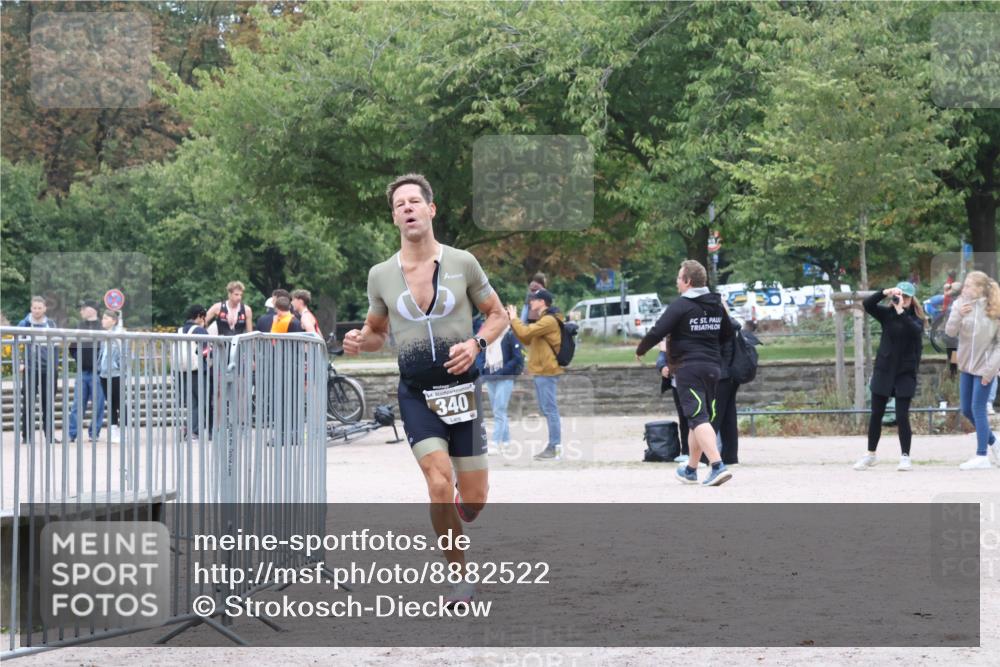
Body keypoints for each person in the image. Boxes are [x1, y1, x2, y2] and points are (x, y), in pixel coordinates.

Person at [343, 174, 506, 606]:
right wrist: (362, 342)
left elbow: (497, 314)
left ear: (431, 210)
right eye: (401, 204)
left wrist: (477, 343)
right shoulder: (381, 275)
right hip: (417, 393)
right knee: (438, 481)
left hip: (462, 390)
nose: (409, 208)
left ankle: (462, 503)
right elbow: (377, 333)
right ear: (394, 216)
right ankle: (461, 578)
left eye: (416, 201)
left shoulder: (463, 262)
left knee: (475, 499)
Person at [636, 260, 734, 486]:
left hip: (689, 369)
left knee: (698, 418)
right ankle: (691, 469)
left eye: (679, 278)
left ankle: (717, 465)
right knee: (696, 420)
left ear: (688, 282)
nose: (677, 282)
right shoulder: (717, 304)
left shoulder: (681, 305)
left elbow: (658, 330)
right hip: (712, 369)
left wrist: (641, 349)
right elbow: (728, 334)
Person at [853, 282, 926, 472]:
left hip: (905, 372)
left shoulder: (916, 318)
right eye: (901, 295)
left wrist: (902, 310)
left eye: (907, 297)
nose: (904, 299)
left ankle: (905, 456)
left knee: (902, 416)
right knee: (876, 414)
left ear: (912, 299)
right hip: (884, 370)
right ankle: (870, 455)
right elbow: (868, 304)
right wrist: (885, 291)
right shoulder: (886, 314)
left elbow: (915, 332)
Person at [944, 270, 1000, 469]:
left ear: (979, 289)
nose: (964, 289)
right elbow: (949, 332)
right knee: (967, 409)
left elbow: (999, 345)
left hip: (986, 367)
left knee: (978, 408)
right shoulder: (960, 304)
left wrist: (990, 370)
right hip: (966, 364)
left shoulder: (994, 308)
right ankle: (994, 442)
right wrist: (958, 315)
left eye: (968, 286)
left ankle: (982, 455)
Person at [507, 288, 564, 460]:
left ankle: (555, 447)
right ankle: (554, 446)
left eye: (534, 299)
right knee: (547, 409)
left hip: (547, 370)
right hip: (542, 370)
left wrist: (514, 319)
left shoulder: (548, 320)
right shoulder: (544, 320)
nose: (530, 302)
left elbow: (525, 332)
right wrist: (515, 323)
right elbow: (525, 338)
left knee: (550, 409)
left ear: (542, 302)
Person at [17, 296, 60, 445]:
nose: (36, 311)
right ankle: (26, 436)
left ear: (44, 309)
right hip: (30, 369)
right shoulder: (24, 323)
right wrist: (20, 361)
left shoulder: (51, 324)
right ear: (31, 308)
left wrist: (55, 367)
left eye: (39, 308)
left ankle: (49, 436)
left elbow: (56, 348)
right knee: (28, 403)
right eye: (34, 308)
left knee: (48, 404)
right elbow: (17, 344)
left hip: (48, 370)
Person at [477, 320, 524, 454]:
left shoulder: (510, 335)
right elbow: (481, 355)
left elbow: (517, 358)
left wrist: (501, 371)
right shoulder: (488, 337)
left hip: (505, 377)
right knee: (498, 410)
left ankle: (495, 442)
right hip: (490, 377)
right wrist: (483, 371)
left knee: (499, 409)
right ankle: (506, 441)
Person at [68, 300, 106, 443]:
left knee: (98, 405)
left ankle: (93, 433)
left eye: (83, 308)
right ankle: (72, 433)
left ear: (92, 310)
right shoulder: (80, 326)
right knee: (78, 404)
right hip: (83, 371)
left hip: (98, 372)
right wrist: (81, 360)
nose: (81, 311)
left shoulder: (102, 327)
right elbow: (72, 347)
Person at [713, 307, 747, 466]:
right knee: (729, 416)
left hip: (721, 374)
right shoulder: (732, 325)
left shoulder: (720, 325)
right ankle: (731, 456)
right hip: (732, 373)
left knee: (715, 415)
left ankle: (707, 456)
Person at [176, 305, 211, 441]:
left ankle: (187, 427)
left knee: (190, 402)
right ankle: (193, 431)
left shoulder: (179, 330)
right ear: (200, 316)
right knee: (199, 402)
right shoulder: (199, 330)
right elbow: (206, 350)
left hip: (181, 370)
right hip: (197, 370)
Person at [656, 340, 690, 462]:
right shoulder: (670, 337)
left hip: (693, 380)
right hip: (677, 383)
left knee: (695, 418)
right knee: (683, 418)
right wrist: (662, 366)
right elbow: (661, 358)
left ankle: (701, 453)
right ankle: (686, 451)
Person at [97, 309, 125, 443]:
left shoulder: (119, 334)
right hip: (103, 373)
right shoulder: (104, 335)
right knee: (111, 404)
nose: (103, 320)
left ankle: (123, 431)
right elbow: (102, 353)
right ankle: (114, 431)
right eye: (103, 318)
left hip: (115, 373)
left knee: (119, 402)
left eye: (106, 318)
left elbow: (124, 354)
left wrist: (120, 368)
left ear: (113, 321)